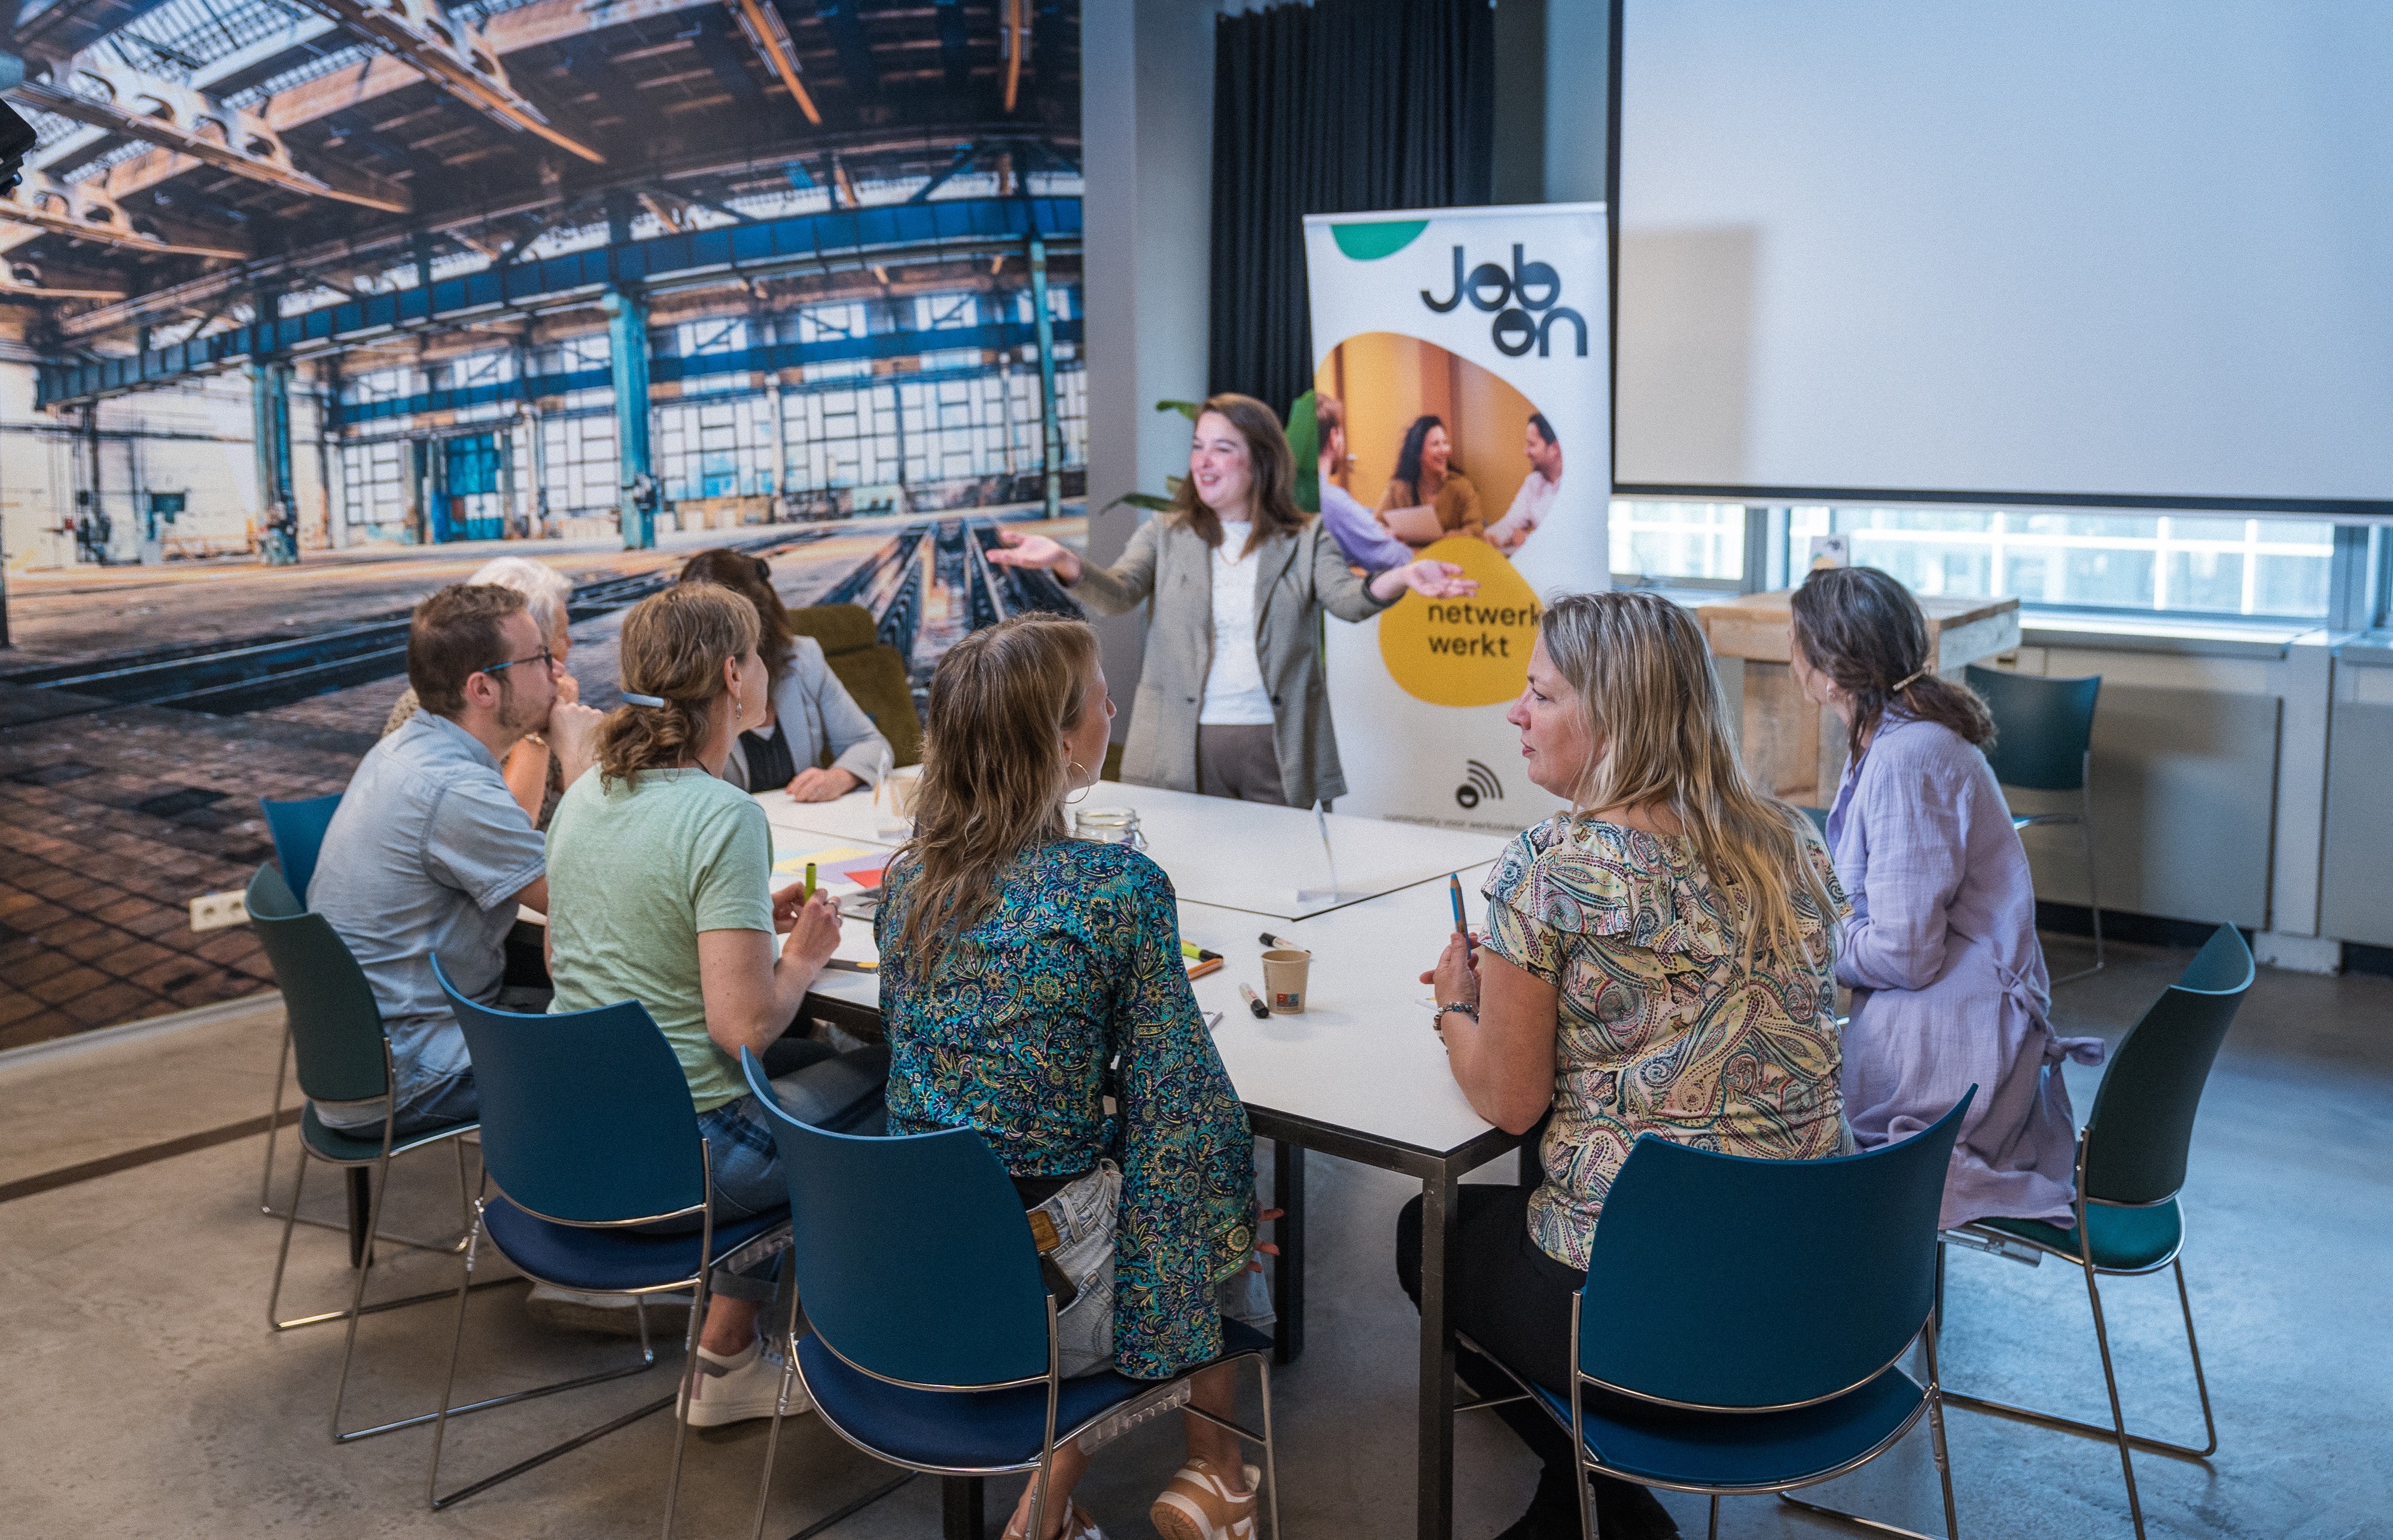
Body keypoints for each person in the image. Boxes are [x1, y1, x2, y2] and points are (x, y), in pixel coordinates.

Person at [1400, 591, 1850, 1540]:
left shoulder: (1552, 868)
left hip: (1654, 1308)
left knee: (1423, 1233)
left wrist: (1455, 1004)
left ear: (1613, 719)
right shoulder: (1791, 841)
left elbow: (1512, 1101)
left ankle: (1601, 1497)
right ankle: (1594, 1502)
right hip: (1821, 1281)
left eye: (1542, 695)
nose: (1515, 714)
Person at [876, 614, 1274, 1540]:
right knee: (1203, 1167)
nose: (1114, 705)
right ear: (1061, 743)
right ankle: (1210, 1468)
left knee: (1145, 1164)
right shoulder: (1117, 888)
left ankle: (1059, 1503)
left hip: (912, 1270)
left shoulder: (908, 884)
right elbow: (1182, 1111)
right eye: (1100, 694)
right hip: (1047, 1291)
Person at [543, 583, 891, 1427]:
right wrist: (802, 960)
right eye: (761, 655)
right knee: (899, 1071)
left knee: (815, 1070)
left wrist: (735, 917)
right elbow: (741, 1032)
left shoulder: (588, 791)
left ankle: (729, 1348)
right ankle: (884, 1351)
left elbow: (574, 955)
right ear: (734, 675)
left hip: (571, 1137)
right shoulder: (722, 814)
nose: (772, 666)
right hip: (681, 1155)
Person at [1788, 566, 2102, 1230]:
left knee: (1781, 1117)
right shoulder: (1896, 734)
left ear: (1830, 673)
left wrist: (1803, 943)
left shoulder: (1908, 756)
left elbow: (1905, 956)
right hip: (1958, 1004)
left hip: (1962, 1034)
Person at [988, 392, 1476, 807]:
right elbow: (1118, 593)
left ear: (1260, 460)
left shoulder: (1305, 536)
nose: (1203, 460)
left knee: (1278, 883)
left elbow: (1348, 600)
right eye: (1198, 446)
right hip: (1181, 741)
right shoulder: (1166, 532)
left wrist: (1405, 575)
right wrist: (1065, 561)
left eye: (1222, 448)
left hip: (1276, 742)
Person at [310, 583, 604, 1136]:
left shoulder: (411, 749)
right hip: (411, 1069)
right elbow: (591, 899)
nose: (558, 668)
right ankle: (599, 1209)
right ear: (483, 688)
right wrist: (576, 755)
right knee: (636, 1049)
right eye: (540, 657)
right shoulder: (453, 789)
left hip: (369, 1052)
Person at [676, 547, 893, 801]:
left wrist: (838, 777)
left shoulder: (803, 657)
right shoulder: (684, 686)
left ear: (759, 625)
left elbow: (873, 746)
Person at [383, 555, 579, 827]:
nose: (569, 643)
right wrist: (536, 736)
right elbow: (509, 831)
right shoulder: (428, 712)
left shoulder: (531, 699)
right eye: (561, 634)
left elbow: (573, 793)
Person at [1311, 394, 1417, 571]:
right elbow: (1395, 559)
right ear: (1334, 438)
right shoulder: (1330, 500)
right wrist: (1382, 540)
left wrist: (1372, 535)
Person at [1375, 414, 1485, 544]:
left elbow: (1476, 530)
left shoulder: (1462, 486)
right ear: (1418, 453)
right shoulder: (1399, 488)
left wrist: (1455, 537)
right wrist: (1391, 534)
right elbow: (1376, 525)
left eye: (1445, 443)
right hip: (1410, 559)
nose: (1443, 450)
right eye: (1435, 444)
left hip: (1451, 557)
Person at [1484, 413, 1563, 551]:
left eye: (1532, 444)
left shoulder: (1577, 486)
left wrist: (1529, 540)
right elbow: (1511, 523)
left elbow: (1570, 539)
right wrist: (1490, 537)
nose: (1526, 451)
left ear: (1554, 449)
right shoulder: (1533, 482)